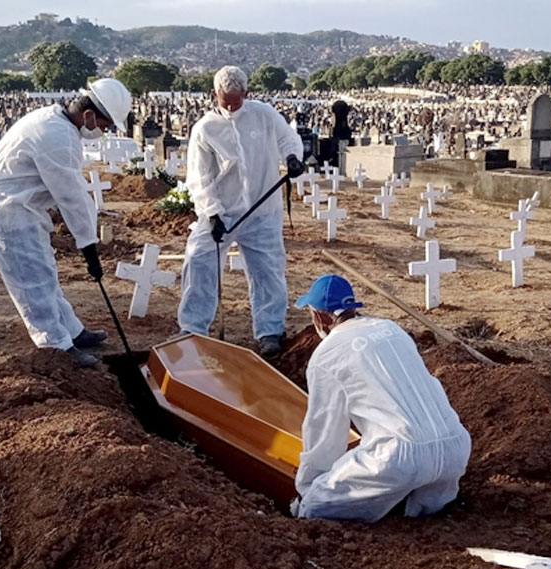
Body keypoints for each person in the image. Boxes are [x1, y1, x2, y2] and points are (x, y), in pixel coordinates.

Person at [0, 78, 132, 368]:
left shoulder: (56, 122)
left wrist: (87, 243)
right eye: (104, 125)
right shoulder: (56, 135)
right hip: (8, 209)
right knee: (31, 280)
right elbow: (72, 196)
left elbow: (72, 194)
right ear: (88, 115)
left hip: (24, 205)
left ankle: (72, 331)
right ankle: (55, 345)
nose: (104, 131)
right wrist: (89, 247)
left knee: (45, 272)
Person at [292, 275, 472, 523]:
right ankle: (415, 502)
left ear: (320, 317)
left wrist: (309, 488)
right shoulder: (392, 329)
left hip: (399, 457)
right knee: (417, 503)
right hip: (455, 449)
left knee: (315, 506)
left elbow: (325, 432)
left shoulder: (328, 354)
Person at [177, 66, 304, 358]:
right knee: (199, 261)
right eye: (226, 102)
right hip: (222, 212)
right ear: (214, 94)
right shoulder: (205, 129)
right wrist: (212, 213)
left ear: (247, 93)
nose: (232, 108)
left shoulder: (264, 115)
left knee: (268, 271)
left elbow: (287, 139)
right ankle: (193, 328)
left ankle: (270, 331)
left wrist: (292, 158)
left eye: (237, 101)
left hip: (262, 211)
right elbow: (200, 177)